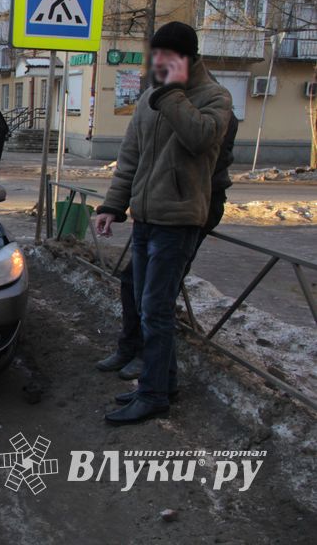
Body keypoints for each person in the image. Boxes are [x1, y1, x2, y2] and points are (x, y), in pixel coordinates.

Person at [93, 21, 233, 425]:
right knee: (144, 302)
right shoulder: (150, 97)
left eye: (167, 57)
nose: (158, 64)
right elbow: (130, 158)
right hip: (146, 218)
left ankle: (153, 394)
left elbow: (201, 139)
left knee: (155, 309)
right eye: (156, 56)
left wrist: (171, 93)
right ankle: (164, 384)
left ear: (188, 59)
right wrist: (112, 206)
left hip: (180, 219)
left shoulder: (214, 97)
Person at [95, 112, 238, 380]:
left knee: (157, 295)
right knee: (132, 281)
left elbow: (199, 156)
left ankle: (151, 368)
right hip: (156, 208)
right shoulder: (154, 103)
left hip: (189, 210)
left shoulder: (214, 106)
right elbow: (132, 159)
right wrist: (114, 206)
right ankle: (132, 349)